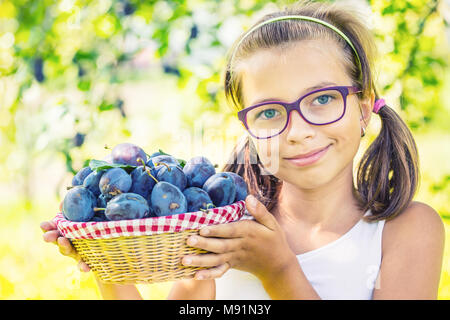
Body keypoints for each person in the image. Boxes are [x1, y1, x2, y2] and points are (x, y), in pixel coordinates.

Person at [41, 0, 445, 299]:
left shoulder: (405, 231)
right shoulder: (216, 226)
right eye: (269, 111)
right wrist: (109, 262)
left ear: (362, 107)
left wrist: (279, 269)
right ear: (247, 127)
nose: (298, 131)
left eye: (322, 99)